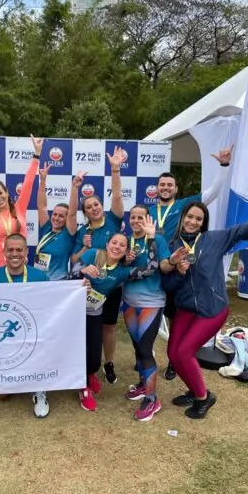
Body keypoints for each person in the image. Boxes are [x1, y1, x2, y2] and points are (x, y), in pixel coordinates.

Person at [161, 202, 248, 419]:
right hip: (185, 308)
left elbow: (245, 229)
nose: (192, 222)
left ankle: (204, 397)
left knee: (184, 352)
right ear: (183, 218)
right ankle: (194, 390)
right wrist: (177, 271)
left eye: (198, 219)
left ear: (203, 223)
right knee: (173, 354)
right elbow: (167, 286)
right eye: (189, 217)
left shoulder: (214, 239)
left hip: (212, 309)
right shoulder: (172, 245)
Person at [152, 145, 233, 381]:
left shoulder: (186, 206)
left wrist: (224, 166)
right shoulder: (148, 209)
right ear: (156, 189)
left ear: (176, 189)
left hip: (180, 265)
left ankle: (174, 361)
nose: (165, 188)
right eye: (162, 185)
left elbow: (214, 191)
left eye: (169, 185)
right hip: (156, 268)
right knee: (155, 311)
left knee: (175, 312)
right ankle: (155, 357)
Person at [68, 223, 160, 412]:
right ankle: (83, 387)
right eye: (114, 243)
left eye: (122, 245)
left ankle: (89, 373)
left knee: (94, 359)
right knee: (73, 350)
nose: (117, 247)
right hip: (72, 312)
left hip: (94, 313)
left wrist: (151, 238)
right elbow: (70, 274)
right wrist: (82, 272)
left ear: (126, 250)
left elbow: (151, 268)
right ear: (108, 244)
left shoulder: (122, 272)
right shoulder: (93, 254)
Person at [0, 234, 53, 418]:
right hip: (7, 344)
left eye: (19, 250)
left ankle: (39, 390)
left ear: (26, 252)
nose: (15, 254)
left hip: (33, 337)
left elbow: (57, 301)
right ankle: (12, 378)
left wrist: (80, 288)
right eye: (10, 250)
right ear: (4, 252)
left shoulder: (40, 277)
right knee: (1, 395)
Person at [69, 147, 126, 385]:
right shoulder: (82, 232)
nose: (94, 208)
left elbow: (117, 197)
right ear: (85, 213)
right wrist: (83, 247)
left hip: (111, 285)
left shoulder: (113, 219)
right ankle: (85, 364)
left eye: (96, 204)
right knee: (87, 328)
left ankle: (108, 362)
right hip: (88, 287)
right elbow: (73, 262)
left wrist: (115, 168)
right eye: (89, 207)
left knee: (109, 327)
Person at [120, 206, 174, 421]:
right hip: (129, 301)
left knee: (145, 349)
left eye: (140, 217)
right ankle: (144, 385)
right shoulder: (125, 240)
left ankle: (152, 400)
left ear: (147, 219)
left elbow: (163, 266)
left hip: (152, 301)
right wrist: (125, 260)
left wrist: (152, 239)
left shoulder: (158, 240)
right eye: (132, 217)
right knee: (137, 347)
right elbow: (118, 267)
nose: (136, 221)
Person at [0, 135, 44, 271]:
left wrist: (36, 155)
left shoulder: (19, 208)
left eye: (0, 193)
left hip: (19, 265)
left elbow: (28, 183)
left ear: (7, 192)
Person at [34, 162, 78, 280]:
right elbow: (42, 206)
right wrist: (42, 181)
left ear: (66, 219)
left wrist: (74, 187)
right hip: (39, 281)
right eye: (54, 214)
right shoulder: (46, 228)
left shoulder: (68, 234)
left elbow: (72, 213)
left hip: (58, 281)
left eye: (61, 216)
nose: (56, 218)